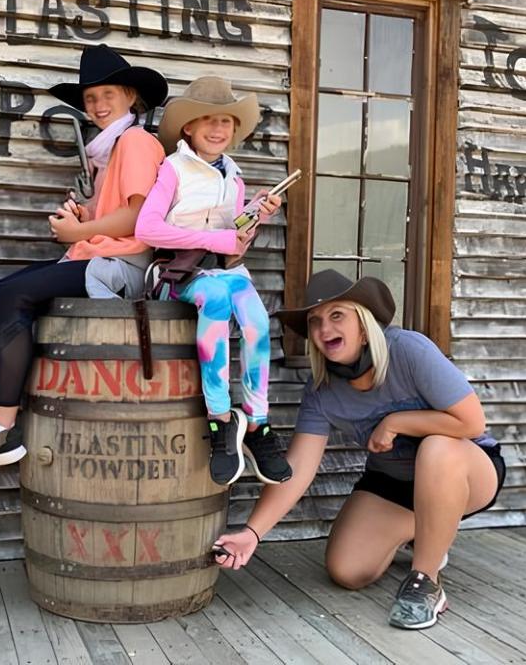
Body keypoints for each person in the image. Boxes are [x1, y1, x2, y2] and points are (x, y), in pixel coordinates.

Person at [0, 43, 167, 474]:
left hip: (123, 268)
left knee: (14, 298)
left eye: (108, 95)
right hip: (99, 255)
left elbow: (140, 217)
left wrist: (77, 231)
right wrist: (84, 217)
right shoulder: (109, 150)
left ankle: (1, 424)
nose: (98, 105)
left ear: (130, 97)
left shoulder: (136, 141)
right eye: (90, 98)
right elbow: (113, 215)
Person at [212, 269, 506, 630]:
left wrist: (396, 423)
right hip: (394, 485)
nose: (324, 328)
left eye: (337, 315)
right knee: (346, 570)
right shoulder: (322, 392)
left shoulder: (408, 351)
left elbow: (471, 423)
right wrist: (252, 532)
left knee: (437, 448)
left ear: (364, 324)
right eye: (315, 321)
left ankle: (426, 581)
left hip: (466, 470)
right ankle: (426, 531)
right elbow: (299, 467)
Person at [135, 76, 292, 487]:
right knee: (219, 299)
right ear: (189, 126)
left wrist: (255, 216)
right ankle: (220, 420)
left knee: (258, 320)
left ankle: (257, 424)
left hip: (224, 269)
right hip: (182, 273)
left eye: (225, 121)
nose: (218, 128)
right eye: (208, 119)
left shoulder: (234, 177)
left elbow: (233, 247)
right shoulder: (173, 169)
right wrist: (213, 238)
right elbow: (147, 228)